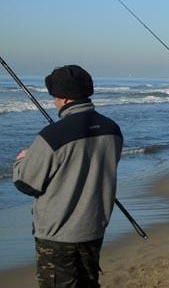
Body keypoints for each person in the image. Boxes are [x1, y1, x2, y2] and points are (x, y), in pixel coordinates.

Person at [13, 65, 123, 287]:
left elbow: (26, 183)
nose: (54, 101)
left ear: (62, 98)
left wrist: (24, 160)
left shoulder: (52, 136)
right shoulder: (112, 130)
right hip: (94, 228)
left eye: (54, 96)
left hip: (58, 236)